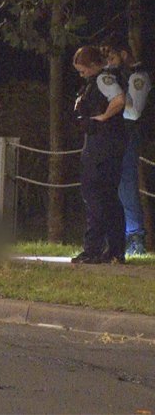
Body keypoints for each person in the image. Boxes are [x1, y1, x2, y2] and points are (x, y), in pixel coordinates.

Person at [71, 46, 127, 264]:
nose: (81, 74)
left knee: (95, 194)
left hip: (103, 145)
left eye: (83, 70)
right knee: (108, 197)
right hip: (105, 143)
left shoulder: (103, 79)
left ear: (94, 65)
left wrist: (103, 117)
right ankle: (114, 250)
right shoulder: (97, 80)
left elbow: (119, 100)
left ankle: (93, 248)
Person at [101, 37, 152, 255]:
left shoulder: (138, 77)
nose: (109, 64)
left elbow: (134, 111)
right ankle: (113, 236)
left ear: (123, 55)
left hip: (128, 132)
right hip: (112, 133)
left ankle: (135, 238)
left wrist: (117, 96)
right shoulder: (116, 77)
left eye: (112, 58)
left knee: (126, 184)